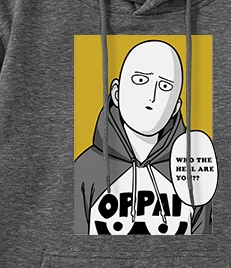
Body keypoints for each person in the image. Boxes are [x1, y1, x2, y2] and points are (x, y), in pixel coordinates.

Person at [74, 39, 213, 235]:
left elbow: (206, 245)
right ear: (116, 93)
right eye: (140, 80)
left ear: (175, 107)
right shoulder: (85, 168)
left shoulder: (193, 168)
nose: (151, 96)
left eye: (164, 86)